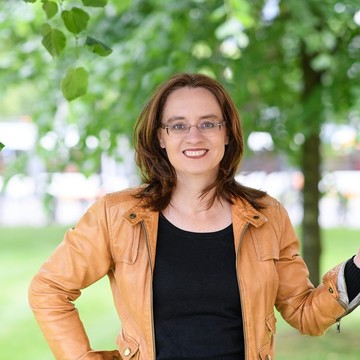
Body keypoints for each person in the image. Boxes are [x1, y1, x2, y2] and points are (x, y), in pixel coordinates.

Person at [29, 73, 360, 360]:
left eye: (208, 123)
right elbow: (49, 289)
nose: (194, 136)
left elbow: (305, 314)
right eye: (178, 125)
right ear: (161, 137)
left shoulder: (267, 216)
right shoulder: (116, 215)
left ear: (227, 132)